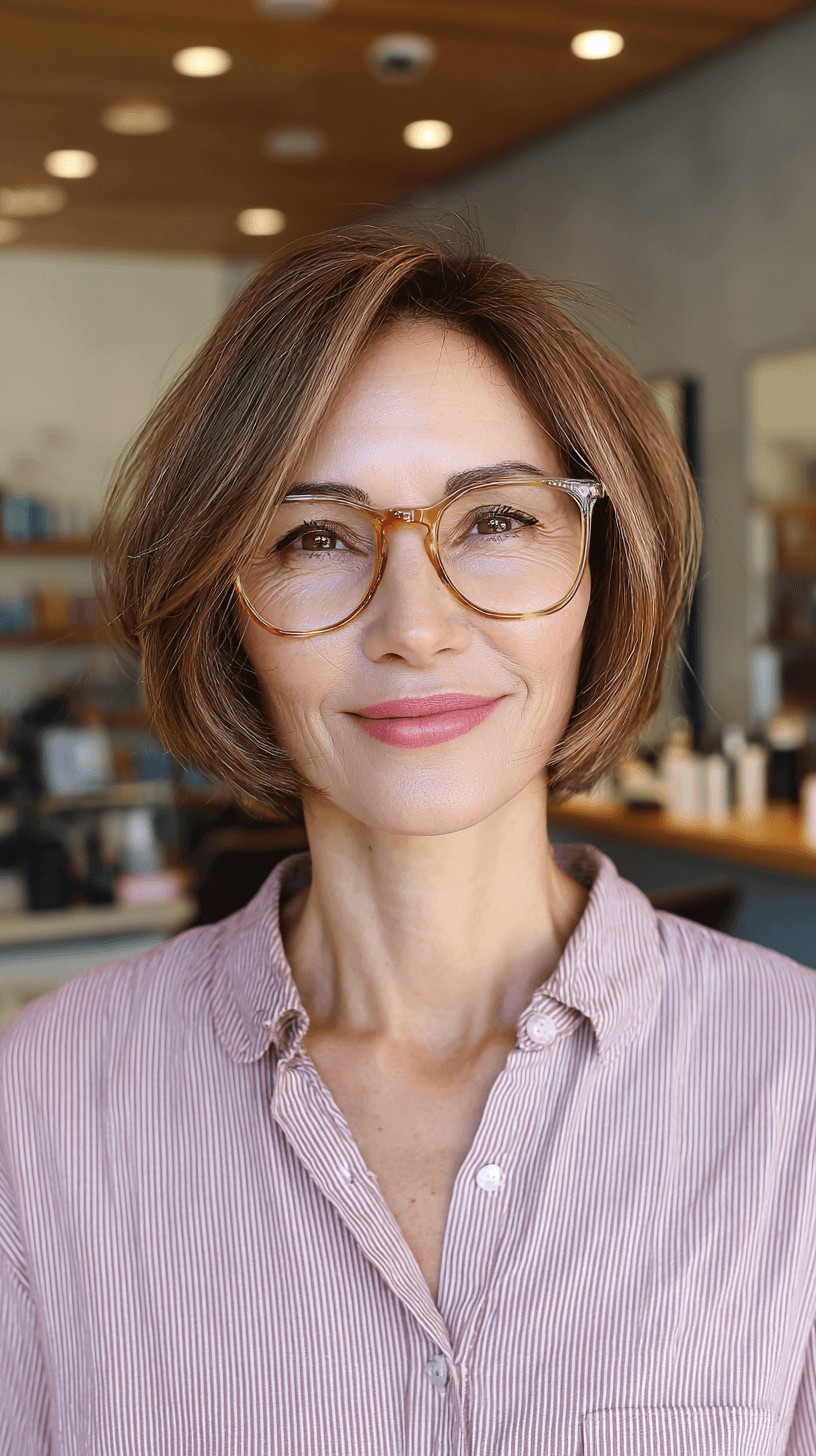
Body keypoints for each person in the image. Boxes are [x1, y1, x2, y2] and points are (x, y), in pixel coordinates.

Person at [2, 220, 815, 1454]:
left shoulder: (795, 1087)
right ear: (231, 618)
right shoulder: (45, 1104)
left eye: (494, 520)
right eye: (317, 537)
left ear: (599, 572)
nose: (416, 626)